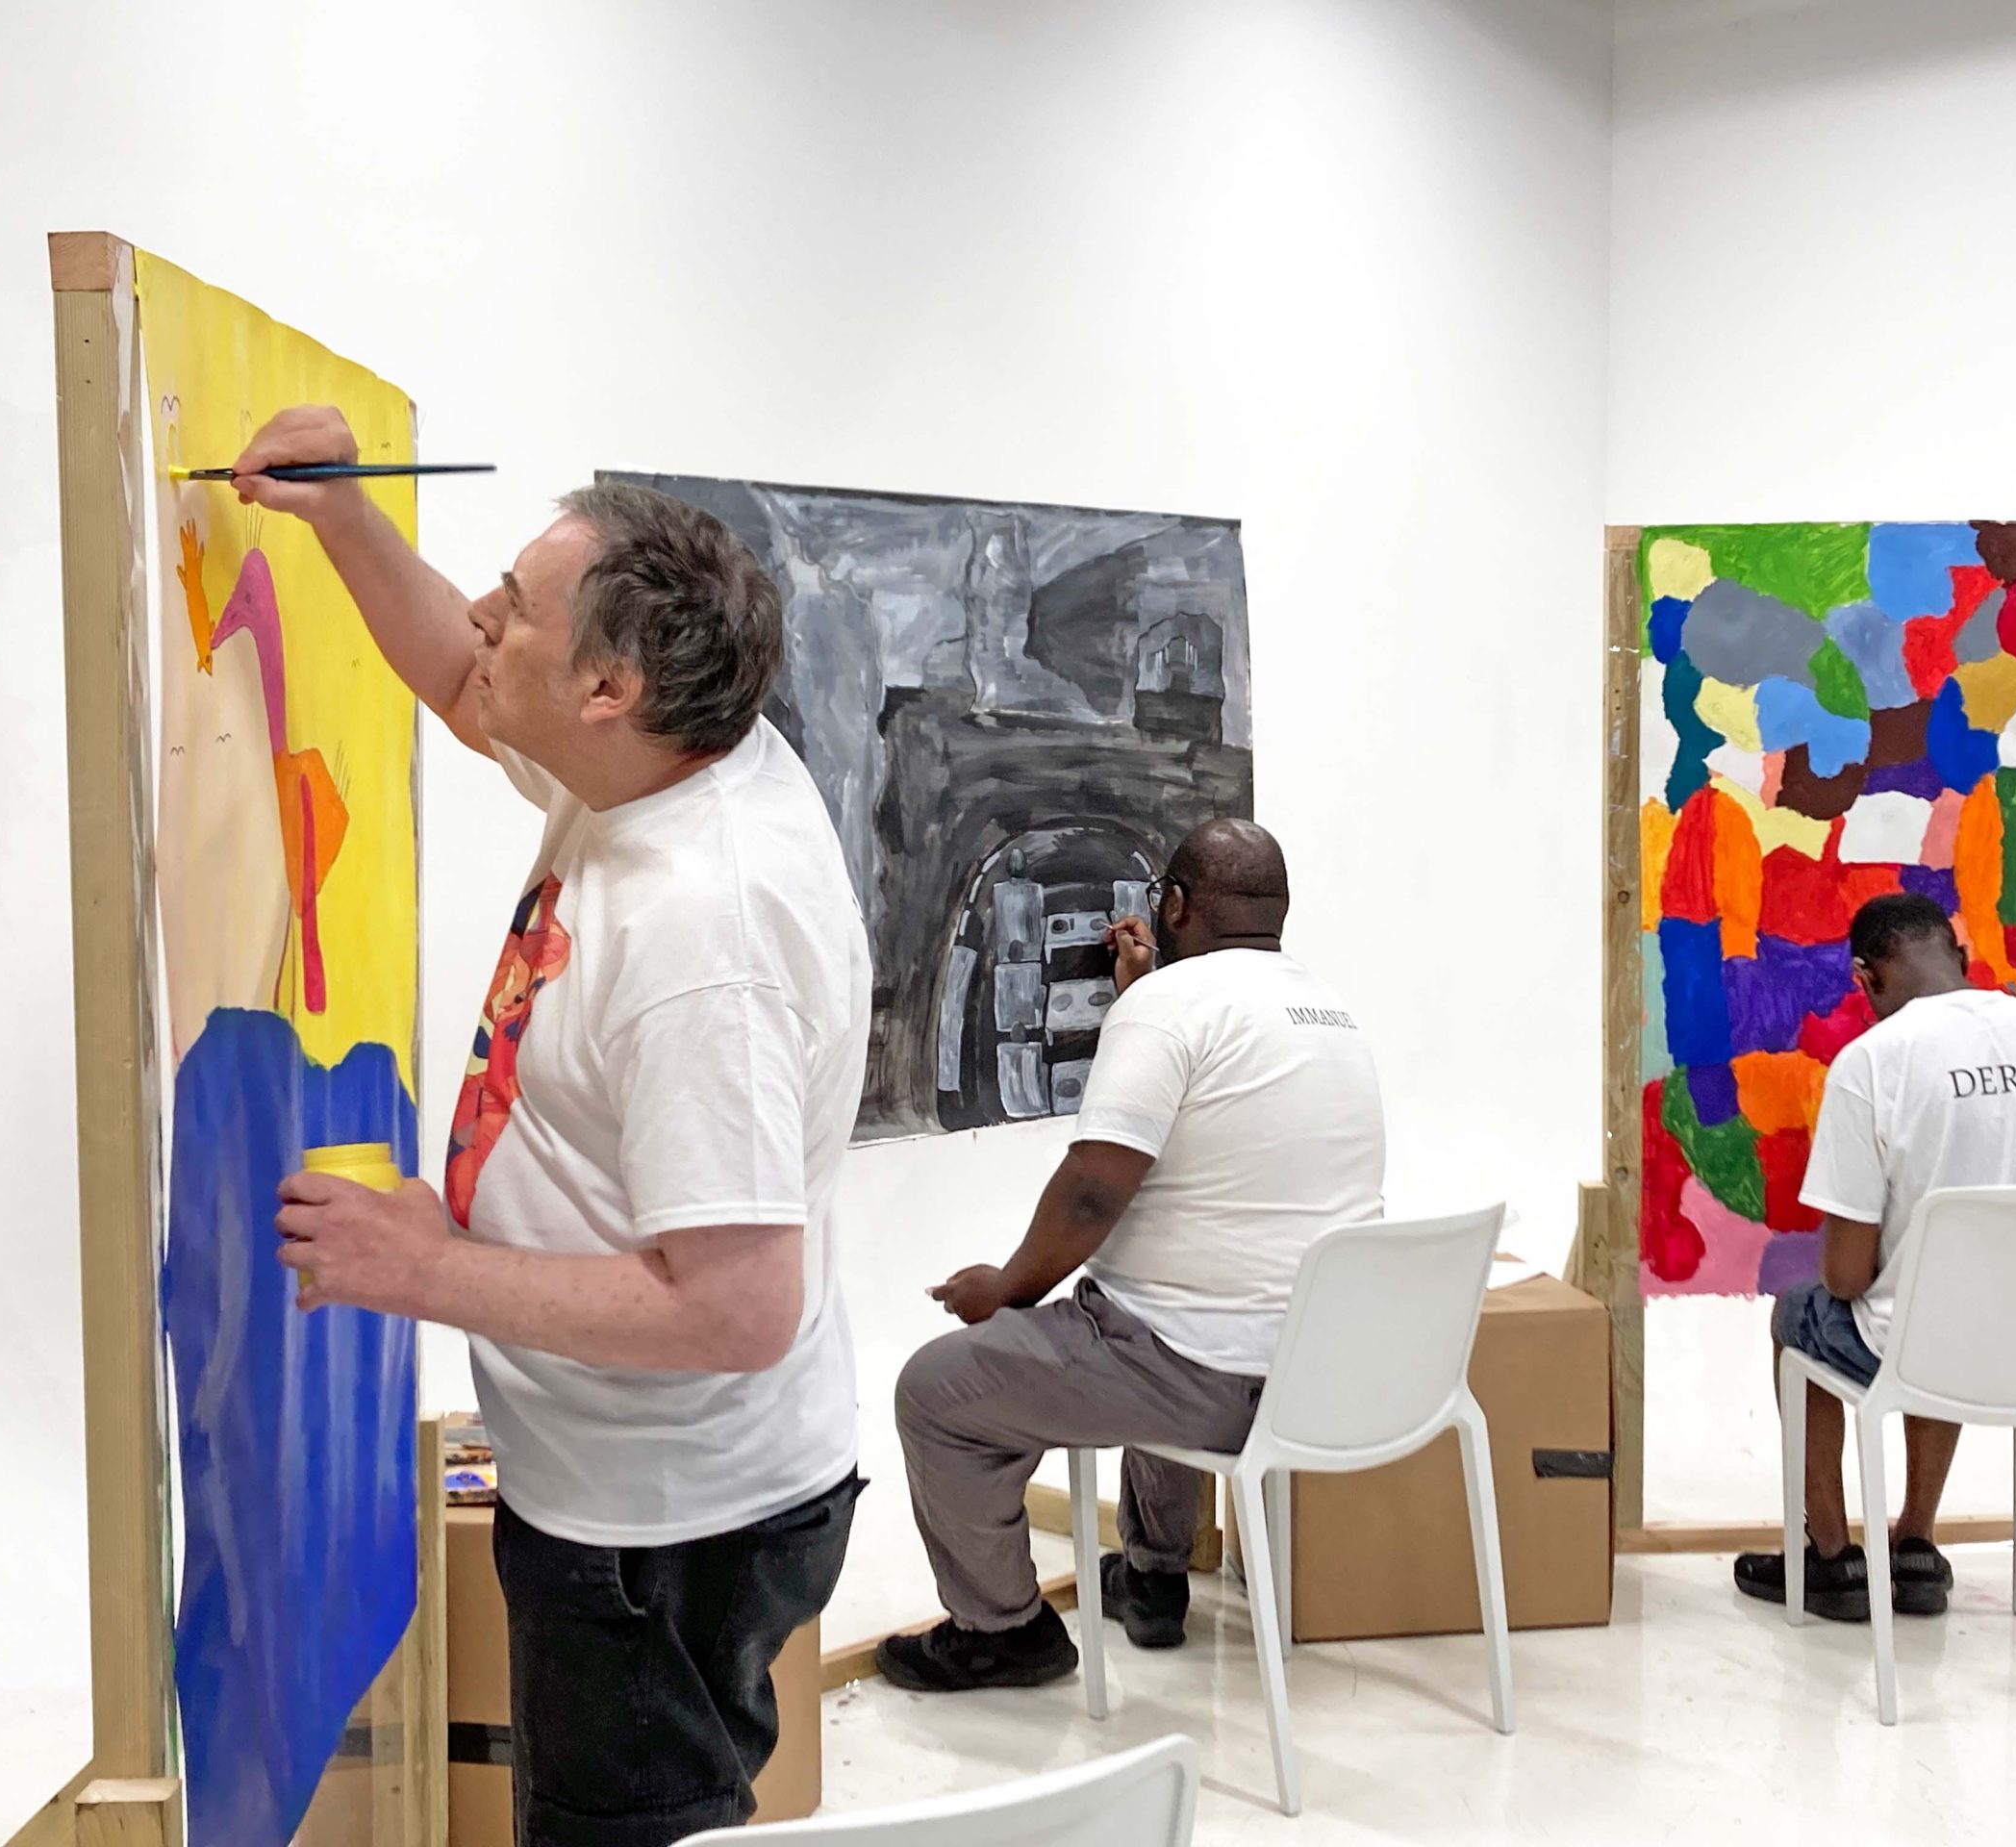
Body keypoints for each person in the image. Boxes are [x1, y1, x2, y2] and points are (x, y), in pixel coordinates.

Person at [247, 408, 869, 1846]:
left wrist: (424, 1269)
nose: (481, 616)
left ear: (607, 684)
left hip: (664, 1529)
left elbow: (735, 1308)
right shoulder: (663, 756)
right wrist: (342, 515)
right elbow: (473, 692)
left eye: (515, 610)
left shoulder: (701, 934)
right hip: (642, 1487)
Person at [878, 818, 1384, 1692]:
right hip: (1325, 1374)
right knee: (1150, 1298)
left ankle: (1003, 1631)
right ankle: (1151, 1578)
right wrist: (1140, 993)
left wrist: (1006, 1289)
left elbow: (1091, 1192)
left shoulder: (1170, 1010)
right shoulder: (1329, 1011)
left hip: (1206, 1384)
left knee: (939, 1390)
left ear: (1177, 905)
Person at [1733, 892, 2016, 1621]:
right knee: (1944, 1299)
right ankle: (1915, 1544)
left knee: (1808, 1311)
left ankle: (1833, 1558)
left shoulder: (1873, 1064)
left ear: (1865, 981)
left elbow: (1845, 1276)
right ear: (1961, 955)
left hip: (1940, 1353)